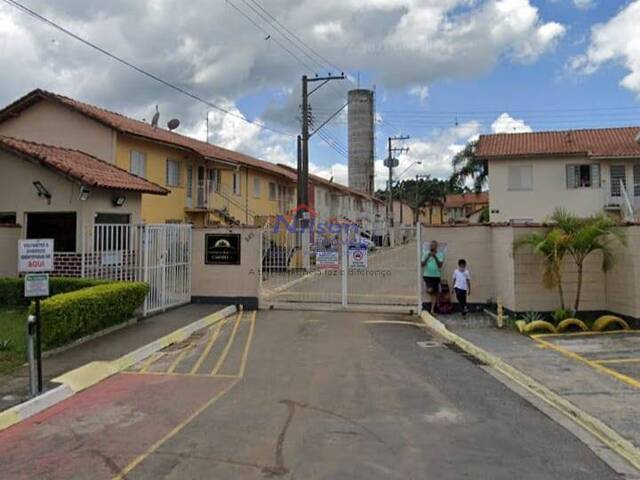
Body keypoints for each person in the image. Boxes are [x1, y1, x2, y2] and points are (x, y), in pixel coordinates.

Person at [422, 240, 445, 314]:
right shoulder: (425, 253)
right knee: (430, 290)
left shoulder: (440, 254)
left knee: (435, 293)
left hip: (436, 275)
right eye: (431, 245)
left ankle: (432, 309)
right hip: (427, 275)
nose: (432, 247)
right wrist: (428, 257)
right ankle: (428, 290)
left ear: (436, 247)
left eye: (434, 246)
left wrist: (435, 256)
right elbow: (422, 264)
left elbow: (440, 265)